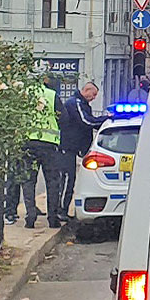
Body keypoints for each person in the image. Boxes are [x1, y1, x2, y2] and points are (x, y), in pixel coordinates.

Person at [59, 81, 109, 220]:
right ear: (86, 90)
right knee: (67, 179)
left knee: (70, 179)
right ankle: (60, 210)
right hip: (67, 147)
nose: (94, 98)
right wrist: (105, 120)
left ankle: (62, 210)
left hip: (75, 148)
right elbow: (86, 121)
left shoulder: (82, 104)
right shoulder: (75, 103)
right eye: (93, 95)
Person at [20, 80, 65, 229]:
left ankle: (30, 216)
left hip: (28, 143)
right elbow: (64, 119)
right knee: (52, 182)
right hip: (49, 145)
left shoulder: (24, 94)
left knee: (28, 181)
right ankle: (52, 218)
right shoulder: (52, 95)